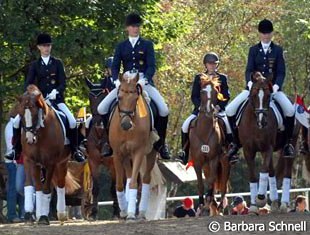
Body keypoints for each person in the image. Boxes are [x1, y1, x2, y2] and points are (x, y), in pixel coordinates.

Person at [97, 13, 170, 159]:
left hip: (143, 81)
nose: (135, 29)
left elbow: (151, 66)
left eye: (137, 26)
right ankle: (108, 142)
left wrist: (144, 80)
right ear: (127, 28)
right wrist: (116, 81)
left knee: (164, 109)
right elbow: (116, 66)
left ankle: (161, 144)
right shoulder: (121, 46)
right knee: (102, 108)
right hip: (125, 82)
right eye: (132, 26)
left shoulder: (147, 44)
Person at [6, 33, 85, 163]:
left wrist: (56, 91)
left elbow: (63, 83)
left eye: (48, 45)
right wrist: (36, 94)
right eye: (44, 46)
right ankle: (16, 150)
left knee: (71, 121)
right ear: (39, 47)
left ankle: (75, 149)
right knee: (16, 122)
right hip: (38, 102)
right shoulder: (35, 65)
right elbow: (28, 84)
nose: (47, 48)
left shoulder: (57, 63)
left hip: (56, 100)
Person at [226, 19, 295, 158]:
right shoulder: (253, 50)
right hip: (254, 89)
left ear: (272, 34)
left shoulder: (277, 50)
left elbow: (281, 72)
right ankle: (234, 142)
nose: (265, 36)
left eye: (268, 33)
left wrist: (276, 86)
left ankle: (287, 144)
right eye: (263, 33)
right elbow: (248, 70)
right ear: (259, 34)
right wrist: (250, 84)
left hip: (272, 89)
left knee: (290, 110)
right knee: (229, 109)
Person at [178, 52, 238, 165]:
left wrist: (219, 106)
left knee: (229, 126)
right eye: (210, 64)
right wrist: (200, 107)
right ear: (205, 64)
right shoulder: (199, 78)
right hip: (201, 110)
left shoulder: (222, 78)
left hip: (217, 110)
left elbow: (226, 95)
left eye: (214, 64)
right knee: (185, 126)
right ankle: (184, 152)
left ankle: (232, 152)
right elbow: (194, 96)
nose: (212, 66)